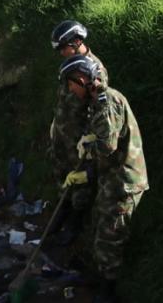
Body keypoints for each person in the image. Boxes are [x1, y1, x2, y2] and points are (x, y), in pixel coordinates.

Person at [58, 54, 148, 303]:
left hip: (124, 181)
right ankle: (96, 278)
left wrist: (86, 165)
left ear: (82, 79)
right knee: (100, 227)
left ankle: (107, 291)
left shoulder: (106, 103)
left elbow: (107, 146)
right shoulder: (98, 101)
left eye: (71, 83)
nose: (70, 89)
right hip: (111, 178)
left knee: (110, 237)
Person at [48, 20, 109, 245]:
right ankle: (60, 214)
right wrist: (56, 125)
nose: (61, 53)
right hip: (62, 133)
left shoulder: (94, 70)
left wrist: (89, 141)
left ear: (76, 42)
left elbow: (99, 109)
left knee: (79, 184)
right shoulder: (70, 64)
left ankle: (74, 226)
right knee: (61, 175)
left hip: (79, 140)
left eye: (63, 48)